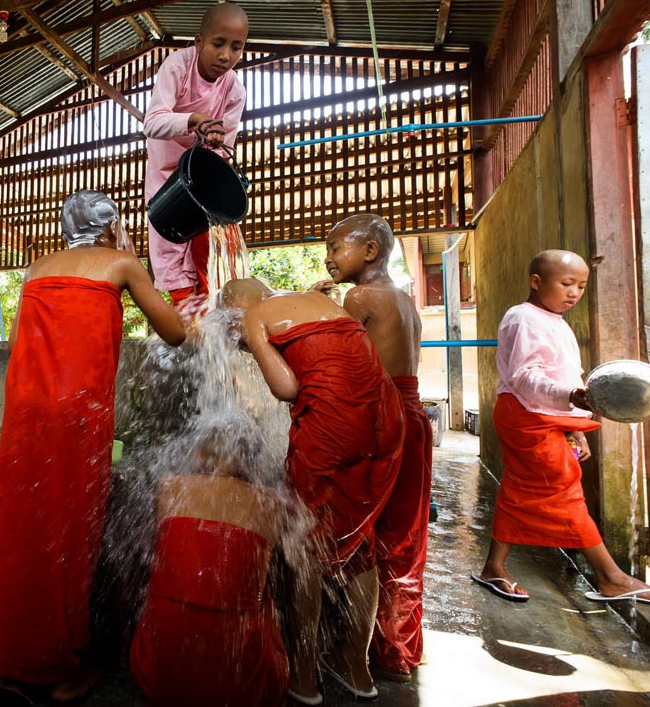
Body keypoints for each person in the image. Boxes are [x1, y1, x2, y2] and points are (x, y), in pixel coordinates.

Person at [0, 191, 186, 702]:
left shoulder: (37, 268)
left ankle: (8, 659)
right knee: (68, 532)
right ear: (113, 227)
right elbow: (175, 332)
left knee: (21, 527)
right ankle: (58, 666)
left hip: (25, 412)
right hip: (77, 415)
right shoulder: (120, 263)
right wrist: (130, 254)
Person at [223, 278, 402, 702]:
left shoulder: (253, 317)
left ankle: (304, 678)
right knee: (360, 544)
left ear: (235, 310)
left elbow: (287, 388)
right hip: (387, 421)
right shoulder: (319, 301)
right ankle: (358, 673)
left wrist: (252, 341)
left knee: (305, 546)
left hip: (333, 430)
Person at [474, 250, 650, 606]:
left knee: (521, 487)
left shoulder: (554, 319)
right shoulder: (523, 317)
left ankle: (494, 568)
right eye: (567, 284)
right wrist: (572, 396)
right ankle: (611, 578)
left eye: (582, 286)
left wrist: (573, 428)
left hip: (547, 415)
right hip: (527, 415)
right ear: (536, 282)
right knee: (562, 488)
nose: (574, 293)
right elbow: (524, 377)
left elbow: (566, 372)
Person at [315, 214, 431, 682]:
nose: (328, 256)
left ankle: (352, 649)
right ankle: (398, 650)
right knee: (406, 535)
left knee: (360, 528)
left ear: (369, 252)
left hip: (382, 416)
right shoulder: (403, 298)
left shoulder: (358, 296)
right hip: (415, 414)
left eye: (336, 246)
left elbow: (336, 356)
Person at [129, 419, 290, 706]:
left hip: (157, 675)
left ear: (200, 453)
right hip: (241, 686)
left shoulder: (170, 488)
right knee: (262, 590)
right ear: (250, 462)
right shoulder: (271, 505)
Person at [144, 2, 249, 306]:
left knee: (206, 248)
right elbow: (152, 123)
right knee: (171, 243)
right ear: (199, 42)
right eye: (218, 43)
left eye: (236, 47)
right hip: (167, 176)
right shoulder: (177, 67)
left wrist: (215, 140)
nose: (226, 55)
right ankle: (186, 315)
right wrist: (193, 120)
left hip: (201, 179)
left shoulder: (234, 91)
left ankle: (208, 317)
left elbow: (221, 153)